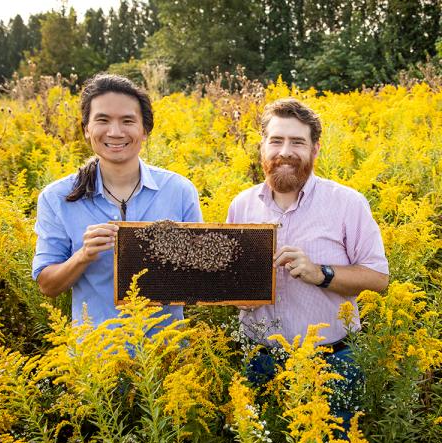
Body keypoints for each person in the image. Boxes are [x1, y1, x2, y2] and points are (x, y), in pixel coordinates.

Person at [226, 99, 389, 403]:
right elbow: (229, 275)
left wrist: (320, 273)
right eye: (276, 140)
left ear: (315, 149)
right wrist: (235, 293)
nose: (285, 151)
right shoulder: (241, 204)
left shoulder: (347, 204)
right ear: (263, 147)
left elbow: (378, 279)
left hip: (331, 361)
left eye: (297, 142)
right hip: (259, 359)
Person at [32, 73, 202, 327]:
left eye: (127, 121)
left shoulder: (179, 190)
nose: (115, 131)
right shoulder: (56, 197)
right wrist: (83, 255)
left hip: (167, 355)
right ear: (86, 130)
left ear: (144, 131)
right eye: (102, 120)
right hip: (96, 357)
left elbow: (201, 279)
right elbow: (47, 285)